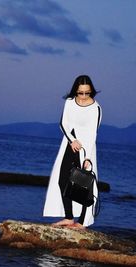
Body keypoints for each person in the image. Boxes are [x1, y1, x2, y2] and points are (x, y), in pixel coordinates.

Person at [43, 75, 102, 229]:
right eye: (80, 92)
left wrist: (87, 157)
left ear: (91, 92)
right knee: (62, 179)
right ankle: (69, 217)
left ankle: (82, 222)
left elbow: (93, 133)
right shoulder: (69, 102)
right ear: (75, 90)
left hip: (86, 148)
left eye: (87, 93)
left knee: (84, 184)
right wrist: (71, 140)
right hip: (70, 145)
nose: (83, 96)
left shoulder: (96, 108)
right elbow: (63, 123)